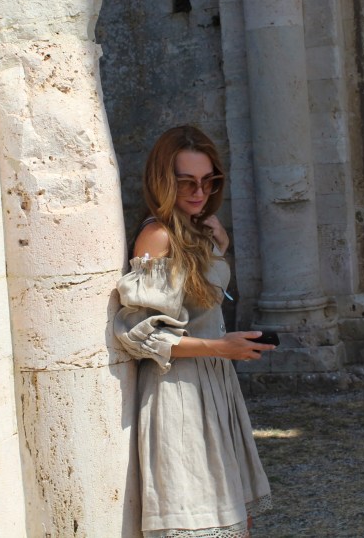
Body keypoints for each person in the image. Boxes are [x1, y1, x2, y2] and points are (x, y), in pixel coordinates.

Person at [114, 125, 275, 538]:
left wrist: (220, 245)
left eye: (208, 181)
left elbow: (203, 300)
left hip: (215, 384)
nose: (199, 192)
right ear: (163, 181)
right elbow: (140, 334)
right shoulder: (158, 236)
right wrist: (220, 347)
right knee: (197, 520)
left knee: (231, 519)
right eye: (187, 182)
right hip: (179, 390)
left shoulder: (200, 228)